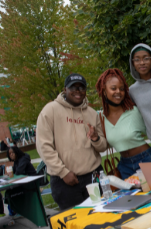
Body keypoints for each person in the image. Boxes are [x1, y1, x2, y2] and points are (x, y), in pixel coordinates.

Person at [36, 73, 108, 210]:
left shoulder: (92, 114)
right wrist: (63, 172)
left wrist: (95, 138)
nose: (78, 91)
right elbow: (44, 147)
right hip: (65, 181)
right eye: (73, 87)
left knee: (101, 219)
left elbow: (103, 146)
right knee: (75, 224)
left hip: (93, 176)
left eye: (81, 88)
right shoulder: (50, 110)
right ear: (65, 90)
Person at [95, 69, 151, 179]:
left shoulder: (134, 111)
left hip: (145, 159)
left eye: (121, 89)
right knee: (133, 196)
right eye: (113, 88)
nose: (118, 91)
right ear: (104, 91)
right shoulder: (100, 118)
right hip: (124, 165)